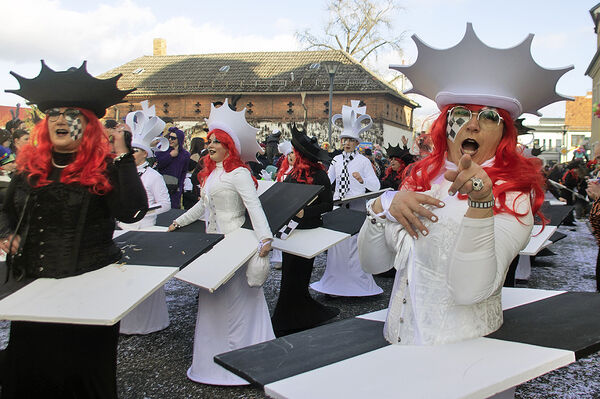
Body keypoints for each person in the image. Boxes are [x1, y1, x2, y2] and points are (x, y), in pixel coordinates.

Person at [358, 24, 564, 351]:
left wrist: (481, 202)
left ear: (504, 134)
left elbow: (471, 291)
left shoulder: (513, 193)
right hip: (399, 343)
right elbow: (374, 265)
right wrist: (383, 207)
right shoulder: (423, 177)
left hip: (467, 354)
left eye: (488, 116)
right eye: (462, 114)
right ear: (446, 125)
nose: (472, 124)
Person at [0, 60, 147, 398]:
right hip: (34, 288)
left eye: (72, 114)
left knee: (81, 374)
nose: (61, 120)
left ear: (89, 126)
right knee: (31, 370)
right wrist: (7, 234)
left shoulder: (106, 168)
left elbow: (133, 210)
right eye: (53, 114)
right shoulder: (29, 170)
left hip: (89, 289)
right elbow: (5, 211)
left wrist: (123, 154)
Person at [167, 99, 274, 385]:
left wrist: (265, 237)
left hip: (236, 244)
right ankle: (212, 359)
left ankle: (243, 357)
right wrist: (179, 221)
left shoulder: (239, 174)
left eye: (216, 141)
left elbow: (254, 207)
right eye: (209, 141)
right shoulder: (211, 174)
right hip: (213, 245)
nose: (210, 145)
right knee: (214, 299)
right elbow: (202, 207)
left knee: (238, 301)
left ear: (229, 147)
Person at [271, 125, 338, 336]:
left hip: (310, 233)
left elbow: (327, 205)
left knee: (301, 275)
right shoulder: (291, 176)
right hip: (291, 233)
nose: (290, 156)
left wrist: (305, 213)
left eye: (293, 153)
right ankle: (287, 315)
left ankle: (300, 314)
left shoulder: (320, 176)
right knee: (289, 276)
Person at [310, 100, 383, 297]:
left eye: (351, 140)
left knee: (354, 245)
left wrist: (362, 180)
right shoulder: (336, 160)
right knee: (338, 246)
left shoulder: (363, 161)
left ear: (357, 143)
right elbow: (327, 180)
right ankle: (335, 282)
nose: (347, 143)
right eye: (344, 140)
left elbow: (376, 187)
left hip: (356, 208)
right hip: (338, 207)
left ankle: (356, 284)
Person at [118, 105, 171, 334]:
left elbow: (166, 204)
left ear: (144, 154)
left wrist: (142, 211)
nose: (132, 154)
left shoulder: (153, 176)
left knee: (144, 277)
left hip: (146, 229)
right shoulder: (120, 173)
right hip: (123, 228)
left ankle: (150, 322)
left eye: (136, 151)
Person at [155, 126, 190, 209]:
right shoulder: (163, 150)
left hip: (174, 188)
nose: (170, 140)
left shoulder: (185, 155)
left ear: (179, 139)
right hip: (161, 184)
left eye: (173, 138)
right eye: (169, 137)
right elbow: (158, 165)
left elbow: (183, 173)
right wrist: (170, 156)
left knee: (172, 210)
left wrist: (180, 188)